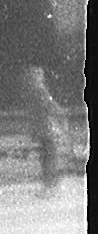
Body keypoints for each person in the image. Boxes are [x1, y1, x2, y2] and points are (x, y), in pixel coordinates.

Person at [19, 66, 68, 198]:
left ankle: (50, 187)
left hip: (46, 130)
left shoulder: (39, 92)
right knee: (47, 158)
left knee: (48, 159)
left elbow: (51, 107)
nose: (31, 80)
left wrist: (60, 117)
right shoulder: (35, 92)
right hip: (43, 130)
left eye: (34, 77)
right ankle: (50, 186)